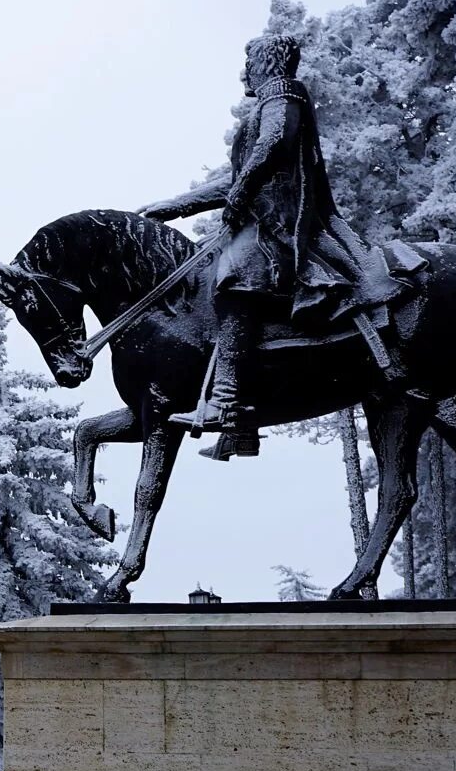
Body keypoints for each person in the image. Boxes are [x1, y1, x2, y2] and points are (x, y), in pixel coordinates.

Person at [139, 34, 371, 459]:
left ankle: (226, 400)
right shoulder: (269, 102)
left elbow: (272, 146)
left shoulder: (282, 94)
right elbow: (239, 174)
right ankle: (242, 427)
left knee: (236, 273)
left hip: (282, 218)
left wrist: (241, 194)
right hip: (264, 214)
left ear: (267, 63)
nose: (243, 72)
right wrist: (172, 207)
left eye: (248, 61)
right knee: (214, 277)